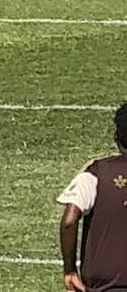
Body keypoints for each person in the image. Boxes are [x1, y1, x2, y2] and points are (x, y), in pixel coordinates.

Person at [57, 102, 127, 292]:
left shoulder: (96, 173)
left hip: (105, 285)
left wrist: (70, 269)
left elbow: (69, 221)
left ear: (117, 137)